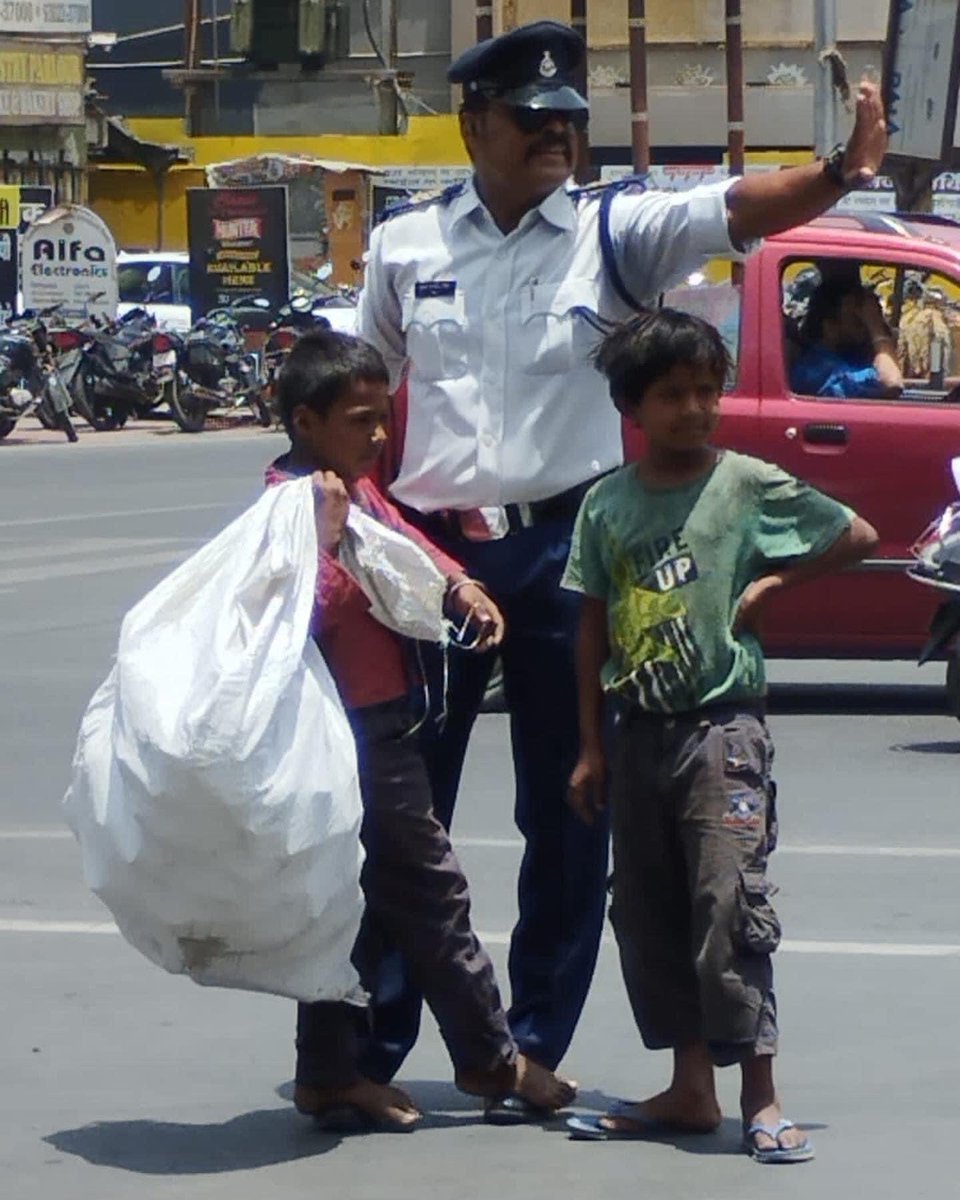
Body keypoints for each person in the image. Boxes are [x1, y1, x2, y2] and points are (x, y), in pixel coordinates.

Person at [356, 18, 888, 1119]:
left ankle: (523, 1051)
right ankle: (374, 1045)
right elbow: (365, 387)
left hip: (568, 548)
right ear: (474, 124)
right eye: (533, 118)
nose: (557, 135)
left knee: (568, 809)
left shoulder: (612, 232)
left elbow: (735, 208)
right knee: (406, 812)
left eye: (569, 121)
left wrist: (840, 173)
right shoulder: (404, 246)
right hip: (431, 550)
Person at [561, 310, 878, 1161]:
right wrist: (591, 746)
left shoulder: (743, 483)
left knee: (729, 906)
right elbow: (590, 626)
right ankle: (689, 1087)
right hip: (639, 734)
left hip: (721, 732)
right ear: (633, 406)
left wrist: (774, 582)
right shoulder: (607, 504)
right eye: (673, 395)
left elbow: (857, 533)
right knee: (647, 909)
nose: (695, 409)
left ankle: (762, 1098)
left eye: (708, 391)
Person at [265, 329, 576, 1131]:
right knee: (434, 895)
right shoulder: (293, 504)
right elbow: (298, 613)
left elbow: (404, 544)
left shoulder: (351, 488)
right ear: (306, 420)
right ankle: (493, 1060)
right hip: (355, 735)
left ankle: (330, 1075)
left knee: (355, 908)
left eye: (381, 418)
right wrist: (328, 543)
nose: (378, 436)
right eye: (360, 420)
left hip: (387, 720)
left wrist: (460, 583)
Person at [791, 276, 904, 398]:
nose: (865, 327)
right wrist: (876, 329)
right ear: (830, 326)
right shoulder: (820, 369)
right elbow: (892, 383)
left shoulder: (846, 360)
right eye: (857, 320)